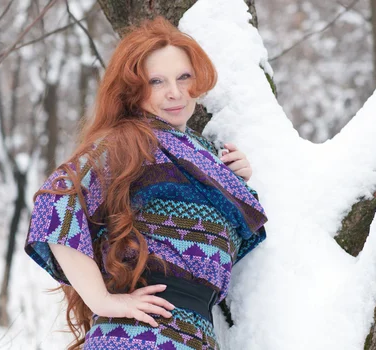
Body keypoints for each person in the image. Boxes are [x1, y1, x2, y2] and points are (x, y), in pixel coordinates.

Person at [24, 16, 268, 350]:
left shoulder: (204, 151)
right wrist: (103, 302)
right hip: (139, 335)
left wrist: (237, 178)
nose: (175, 93)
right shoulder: (129, 141)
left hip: (193, 334)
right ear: (133, 90)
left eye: (184, 77)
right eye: (157, 82)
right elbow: (56, 204)